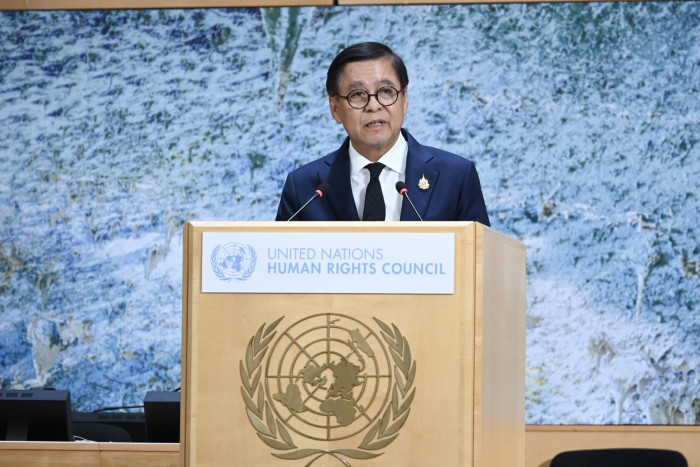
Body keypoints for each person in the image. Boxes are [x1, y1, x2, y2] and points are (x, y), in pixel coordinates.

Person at [276, 42, 490, 225]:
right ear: (335, 108)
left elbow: (478, 256)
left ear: (405, 100)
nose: (373, 105)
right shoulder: (304, 188)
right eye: (357, 94)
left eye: (386, 91)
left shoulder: (456, 176)